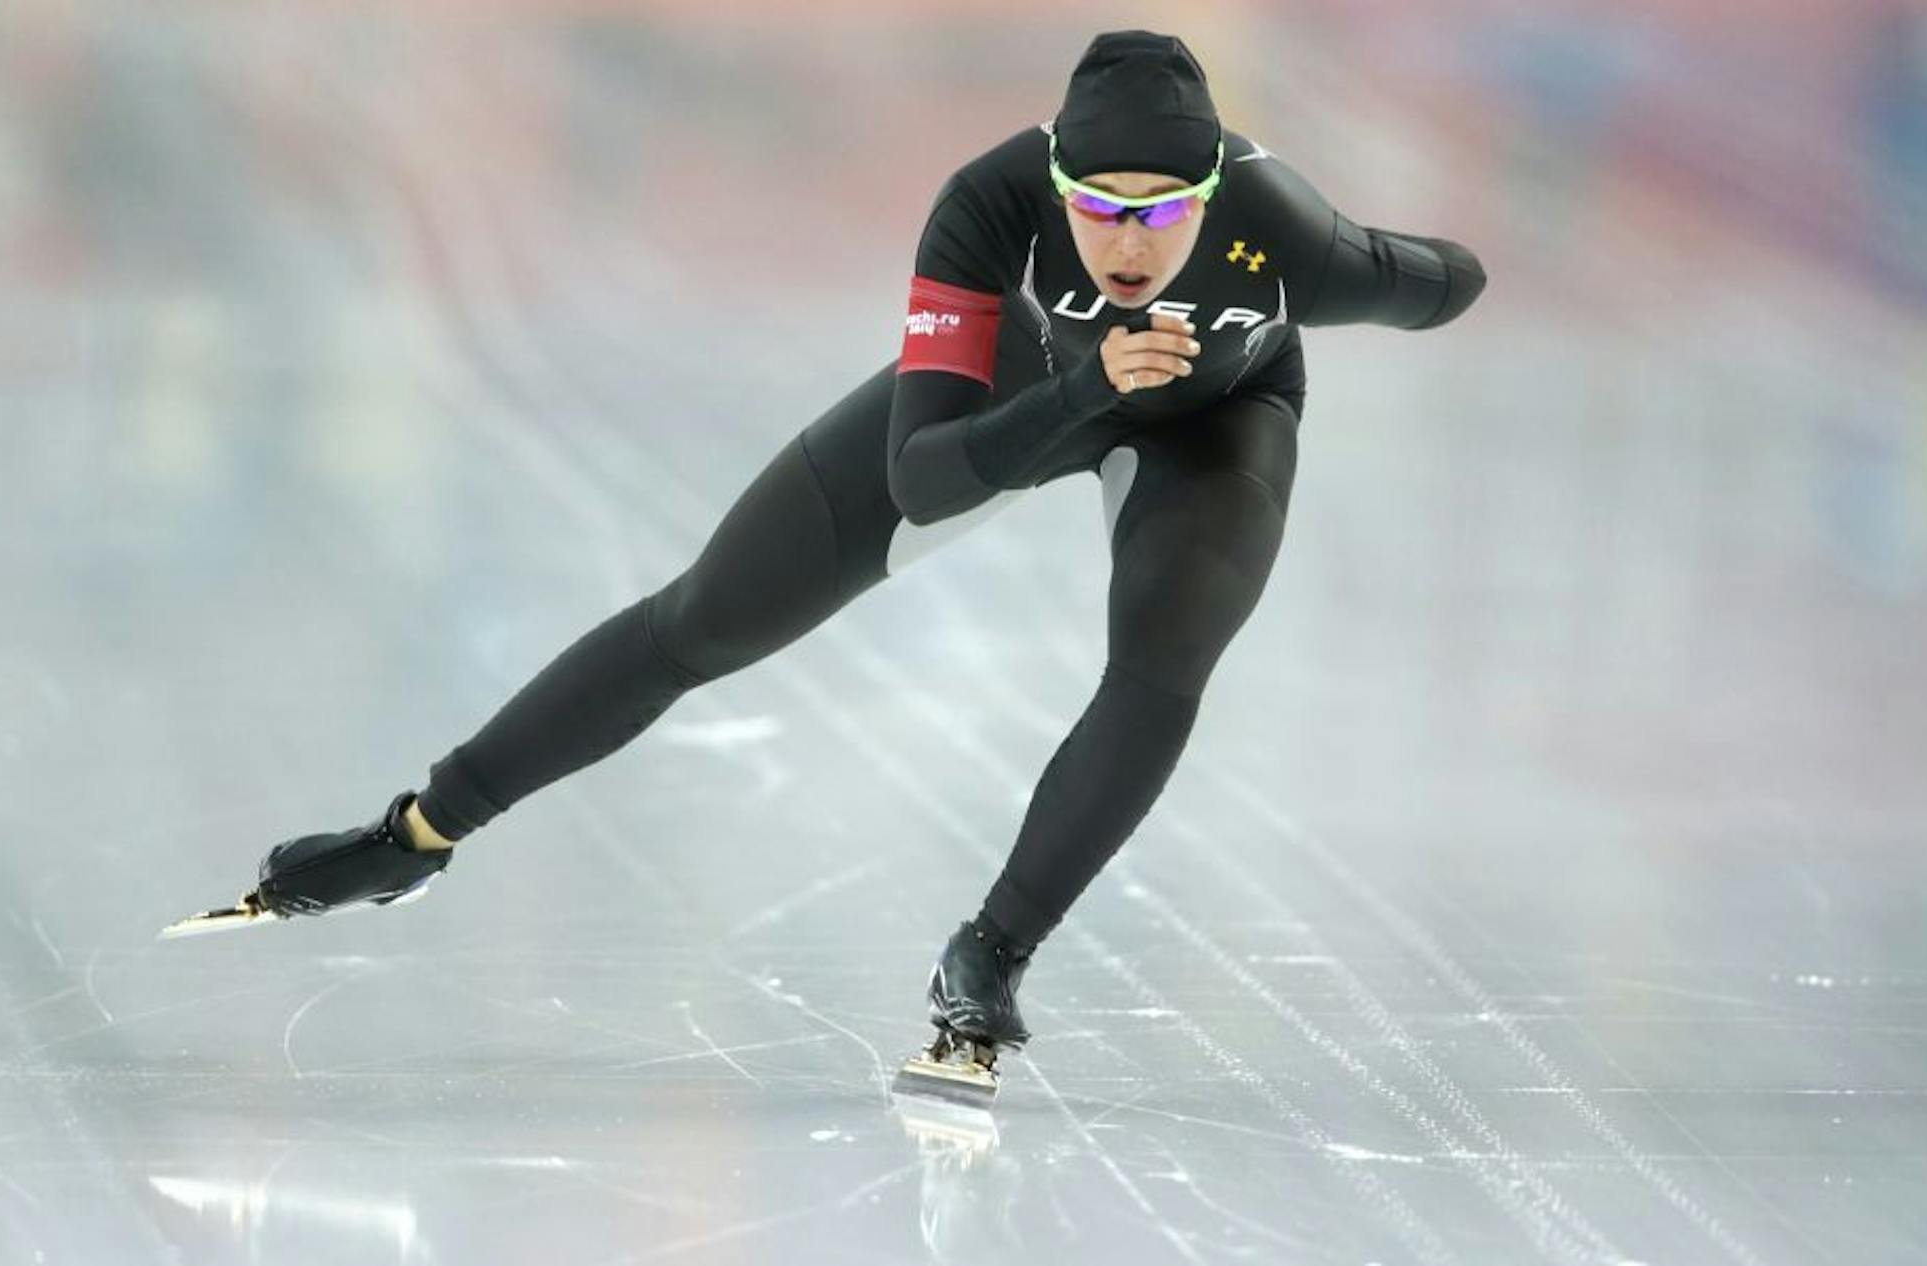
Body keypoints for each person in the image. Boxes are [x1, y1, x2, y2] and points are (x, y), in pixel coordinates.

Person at [233, 30, 1484, 1075]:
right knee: (705, 622)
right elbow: (924, 474)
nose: (1130, 240)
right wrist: (1082, 387)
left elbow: (1442, 281)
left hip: (1215, 424)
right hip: (1013, 392)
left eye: (1163, 210)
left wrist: (1407, 261)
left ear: (1211, 197)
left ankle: (989, 954)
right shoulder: (989, 206)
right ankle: (418, 833)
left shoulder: (1282, 237)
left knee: (1165, 663)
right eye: (1101, 206)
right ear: (1059, 184)